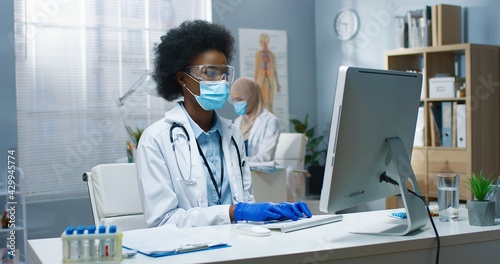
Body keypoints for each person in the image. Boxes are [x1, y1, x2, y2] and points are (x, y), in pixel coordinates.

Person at [135, 20, 311, 228]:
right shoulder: (156, 139)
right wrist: (234, 212)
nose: (221, 81)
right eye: (210, 73)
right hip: (189, 252)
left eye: (224, 74)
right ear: (182, 78)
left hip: (237, 246)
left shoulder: (233, 135)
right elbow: (162, 221)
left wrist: (271, 214)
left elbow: (245, 203)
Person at [229, 77, 280, 162]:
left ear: (253, 97)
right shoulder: (238, 121)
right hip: (239, 172)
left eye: (239, 99)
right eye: (233, 100)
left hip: (259, 173)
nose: (236, 103)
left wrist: (241, 162)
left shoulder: (270, 121)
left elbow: (265, 157)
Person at [254, 33, 281, 113]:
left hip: (270, 80)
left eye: (265, 41)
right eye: (262, 41)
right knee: (263, 103)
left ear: (268, 41)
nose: (264, 43)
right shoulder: (258, 55)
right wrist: (254, 84)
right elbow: (257, 69)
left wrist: (278, 84)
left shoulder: (272, 55)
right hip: (262, 81)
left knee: (270, 104)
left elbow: (274, 70)